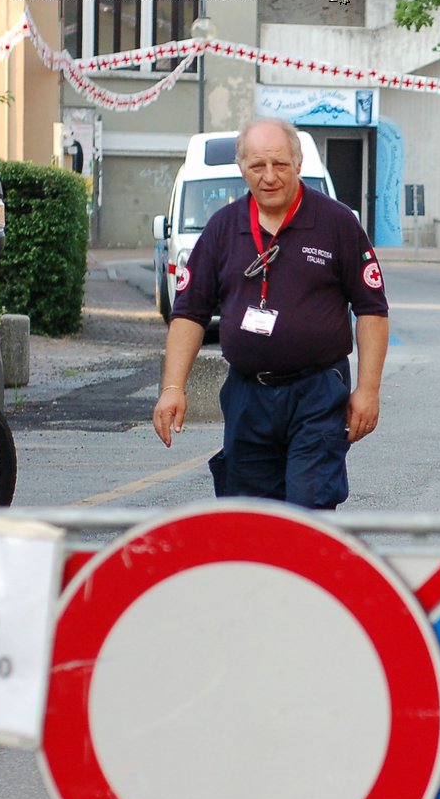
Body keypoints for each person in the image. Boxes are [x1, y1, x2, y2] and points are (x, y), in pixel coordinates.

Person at [152, 116, 389, 509]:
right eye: (257, 166)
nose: (269, 176)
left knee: (308, 510)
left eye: (279, 164)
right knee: (250, 516)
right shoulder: (222, 228)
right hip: (248, 396)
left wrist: (368, 390)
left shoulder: (337, 224)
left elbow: (372, 310)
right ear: (242, 168)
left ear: (298, 164)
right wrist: (173, 388)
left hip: (317, 392)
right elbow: (189, 313)